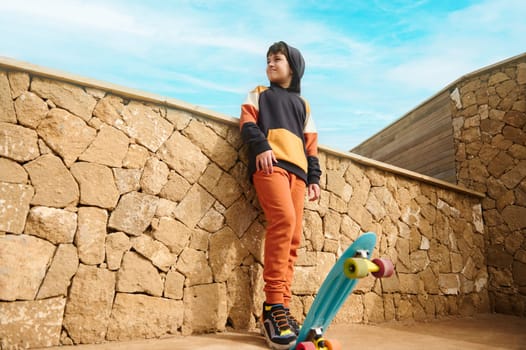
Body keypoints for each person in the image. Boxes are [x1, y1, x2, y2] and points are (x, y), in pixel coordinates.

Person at [239, 41, 322, 349]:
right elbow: (247, 122)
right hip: (270, 164)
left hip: (299, 174)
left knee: (293, 239)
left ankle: (281, 309)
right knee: (283, 221)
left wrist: (313, 177)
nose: (270, 64)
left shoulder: (304, 105)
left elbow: (311, 146)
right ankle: (273, 306)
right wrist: (260, 146)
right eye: (268, 60)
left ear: (293, 67)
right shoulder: (259, 93)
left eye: (277, 59)